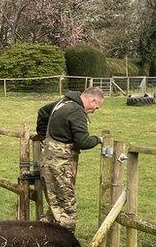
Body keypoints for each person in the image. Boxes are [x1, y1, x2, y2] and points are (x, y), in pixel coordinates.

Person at [33, 86, 105, 231]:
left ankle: (41, 238)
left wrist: (44, 136)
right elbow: (83, 142)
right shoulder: (77, 111)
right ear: (92, 100)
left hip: (47, 162)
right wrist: (98, 139)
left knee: (54, 205)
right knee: (67, 208)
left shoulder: (63, 103)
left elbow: (42, 112)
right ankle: (66, 245)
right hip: (61, 166)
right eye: (96, 107)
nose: (94, 111)